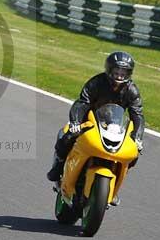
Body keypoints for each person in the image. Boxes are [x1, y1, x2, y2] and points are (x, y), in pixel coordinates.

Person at [47, 51, 145, 204]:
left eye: (124, 71)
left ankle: (113, 187)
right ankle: (58, 167)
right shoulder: (96, 82)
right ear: (109, 69)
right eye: (117, 70)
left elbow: (137, 114)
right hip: (90, 120)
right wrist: (75, 123)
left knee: (133, 153)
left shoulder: (132, 90)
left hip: (114, 125)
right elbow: (82, 103)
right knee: (66, 136)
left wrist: (137, 138)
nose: (120, 75)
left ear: (129, 73)